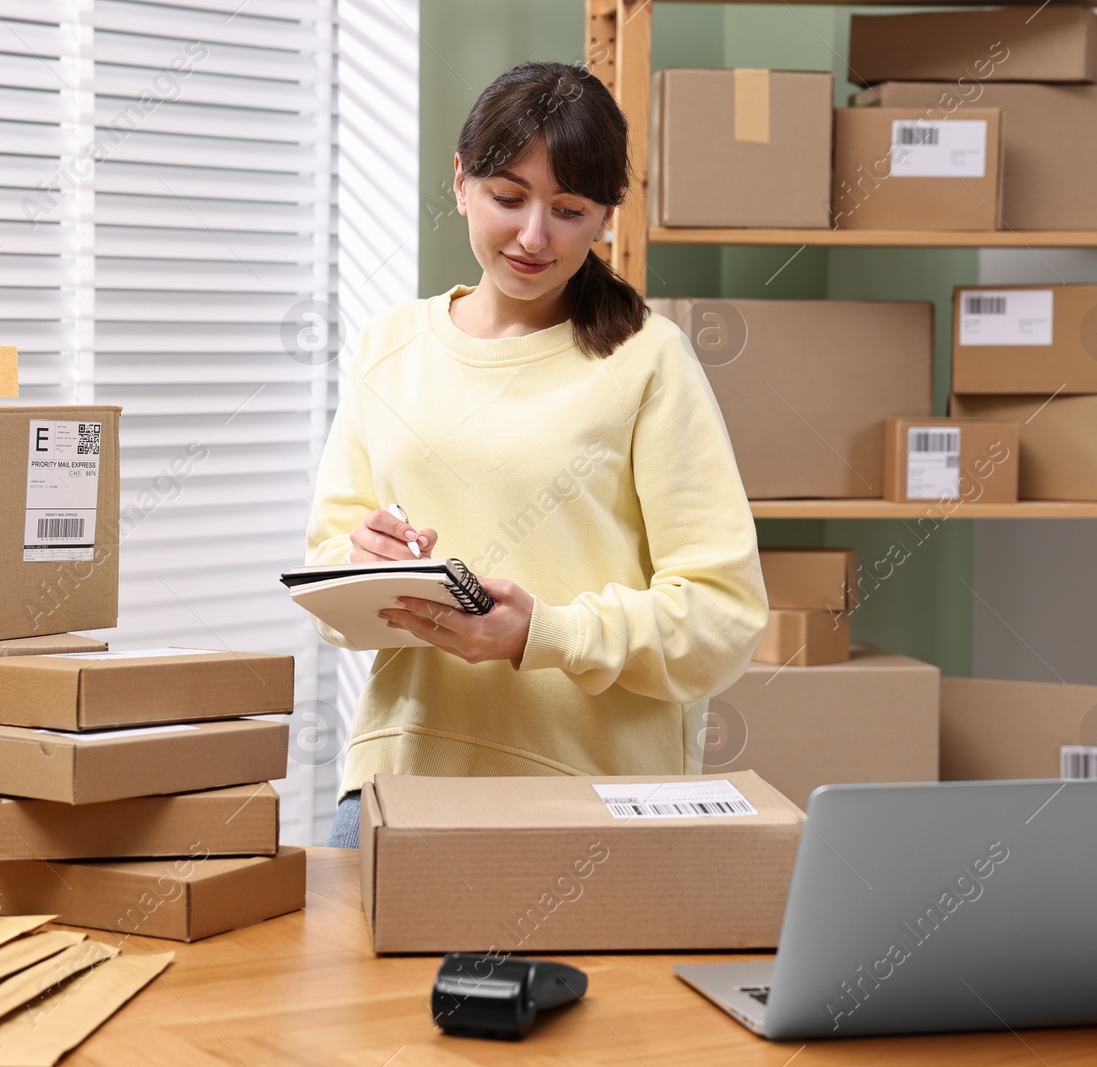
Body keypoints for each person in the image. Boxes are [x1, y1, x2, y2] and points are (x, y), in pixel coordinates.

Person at [306, 61, 768, 848]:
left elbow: (723, 619)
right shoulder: (391, 346)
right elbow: (327, 581)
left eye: (567, 210)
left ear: (604, 218)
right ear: (461, 181)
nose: (532, 236)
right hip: (399, 783)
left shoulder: (650, 360)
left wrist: (540, 634)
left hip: (591, 802)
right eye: (508, 198)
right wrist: (360, 564)